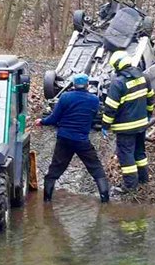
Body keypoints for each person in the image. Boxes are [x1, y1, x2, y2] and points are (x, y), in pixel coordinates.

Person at [35, 74, 110, 203]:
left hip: (64, 139)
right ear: (87, 85)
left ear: (74, 85)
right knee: (96, 167)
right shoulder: (94, 100)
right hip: (82, 140)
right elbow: (92, 118)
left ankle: (46, 201)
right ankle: (105, 199)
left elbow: (54, 118)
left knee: (55, 169)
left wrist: (41, 121)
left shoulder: (65, 97)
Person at [101, 50, 155, 191]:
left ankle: (130, 186)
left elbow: (111, 107)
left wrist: (105, 125)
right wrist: (149, 114)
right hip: (142, 124)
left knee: (126, 155)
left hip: (125, 127)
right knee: (140, 152)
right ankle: (143, 180)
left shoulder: (118, 83)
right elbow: (150, 98)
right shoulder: (144, 77)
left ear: (117, 66)